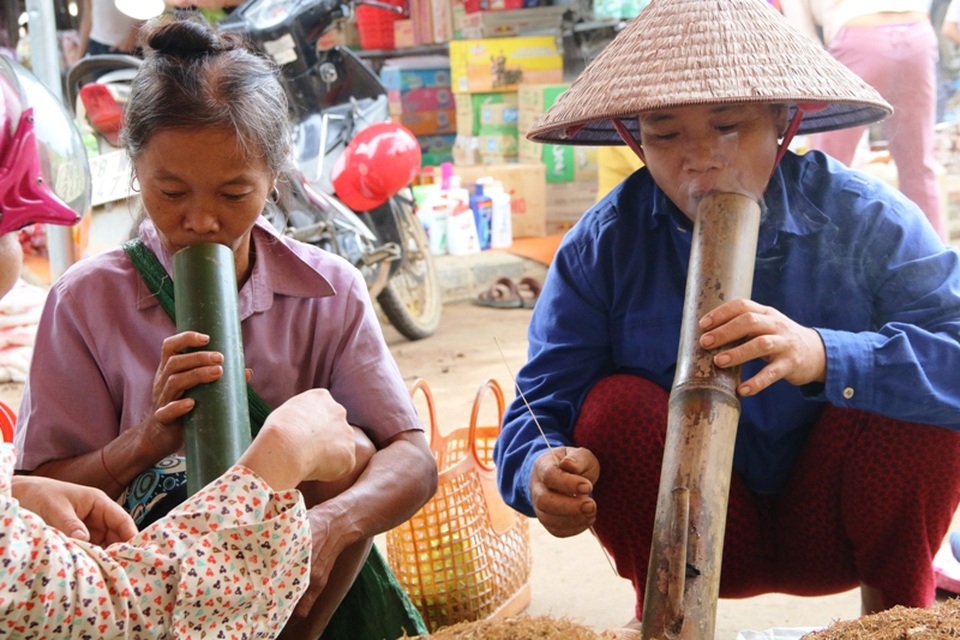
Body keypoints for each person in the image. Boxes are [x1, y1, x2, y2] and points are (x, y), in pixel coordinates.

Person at [494, 0, 960, 635]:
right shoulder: (602, 245)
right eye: (665, 133)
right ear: (634, 139)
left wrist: (826, 355)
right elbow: (538, 401)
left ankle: (899, 618)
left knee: (914, 395)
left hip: (839, 525)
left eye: (728, 126)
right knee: (610, 407)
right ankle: (663, 617)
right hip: (690, 529)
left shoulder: (869, 219)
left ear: (783, 122)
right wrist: (539, 470)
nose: (699, 158)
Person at [13, 17, 438, 640]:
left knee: (352, 451)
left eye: (234, 193)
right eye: (171, 191)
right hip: (146, 590)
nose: (201, 219)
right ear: (135, 169)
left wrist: (332, 525)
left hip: (305, 596)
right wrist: (146, 442)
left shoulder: (330, 289)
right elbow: (35, 502)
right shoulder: (84, 301)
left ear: (273, 179)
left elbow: (413, 461)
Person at [780, 0, 948, 241]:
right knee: (919, 165)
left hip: (858, 33)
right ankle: (938, 264)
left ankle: (813, 251)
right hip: (917, 30)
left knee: (824, 165)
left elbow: (802, 35)